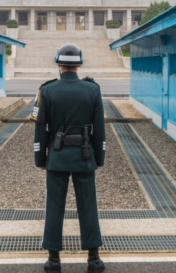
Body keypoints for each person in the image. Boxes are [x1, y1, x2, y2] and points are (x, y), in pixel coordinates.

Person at [31, 43, 106, 273]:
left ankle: (53, 260)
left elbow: (40, 127)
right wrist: (99, 157)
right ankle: (93, 260)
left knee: (54, 207)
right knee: (88, 206)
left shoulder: (46, 90)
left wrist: (40, 158)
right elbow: (100, 129)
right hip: (85, 156)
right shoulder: (93, 90)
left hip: (57, 155)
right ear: (80, 64)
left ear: (58, 63)